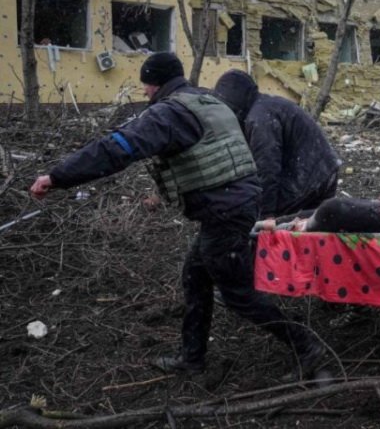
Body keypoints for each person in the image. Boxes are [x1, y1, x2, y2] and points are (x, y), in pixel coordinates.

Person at [29, 53, 326, 379]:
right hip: (233, 204)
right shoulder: (204, 99)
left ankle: (307, 346)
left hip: (225, 210)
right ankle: (192, 358)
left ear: (155, 84)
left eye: (145, 84)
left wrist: (58, 177)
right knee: (195, 276)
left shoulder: (169, 114)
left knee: (238, 293)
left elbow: (117, 149)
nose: (143, 92)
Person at [214, 69, 341, 218]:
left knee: (275, 223)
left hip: (310, 176)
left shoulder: (259, 118)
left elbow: (267, 168)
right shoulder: (265, 106)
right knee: (307, 228)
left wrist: (266, 215)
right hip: (322, 170)